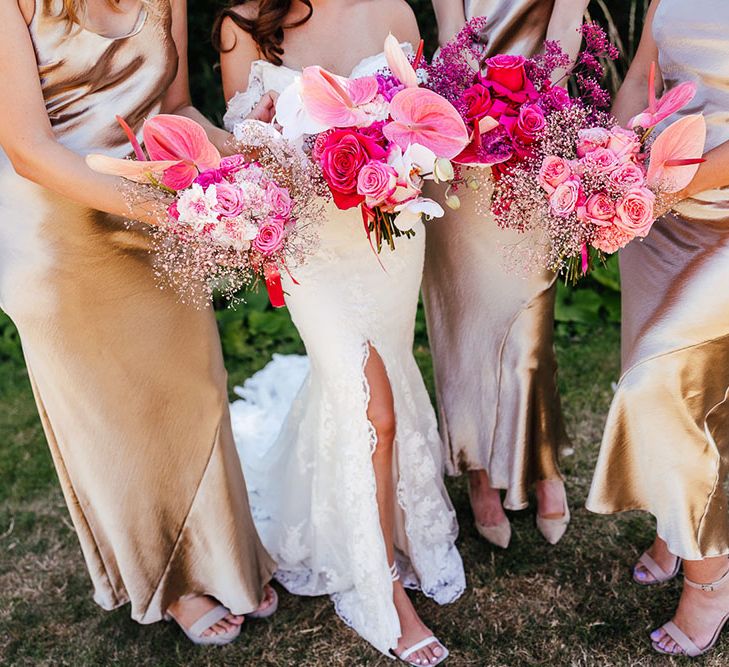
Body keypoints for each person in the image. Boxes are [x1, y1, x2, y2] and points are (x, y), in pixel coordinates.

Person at [0, 0, 279, 645]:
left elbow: (175, 109)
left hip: (157, 222)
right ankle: (172, 581)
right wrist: (171, 211)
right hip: (56, 235)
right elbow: (27, 149)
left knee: (196, 391)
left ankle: (227, 558)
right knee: (112, 416)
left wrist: (243, 164)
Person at [215, 0, 465, 663]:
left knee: (383, 384)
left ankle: (391, 522)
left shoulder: (393, 9)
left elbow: (427, 127)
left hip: (390, 234)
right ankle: (378, 582)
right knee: (368, 407)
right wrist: (268, 142)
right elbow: (243, 152)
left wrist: (400, 166)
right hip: (312, 249)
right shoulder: (243, 26)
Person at [587, 0, 729, 657]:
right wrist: (607, 165)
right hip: (660, 218)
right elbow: (641, 73)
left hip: (713, 212)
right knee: (686, 395)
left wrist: (665, 186)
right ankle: (676, 525)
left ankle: (711, 579)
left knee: (656, 385)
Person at [423, 0, 588, 549]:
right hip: (460, 147)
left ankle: (541, 464)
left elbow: (565, 28)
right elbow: (451, 33)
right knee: (464, 324)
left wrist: (531, 116)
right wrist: (475, 114)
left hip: (535, 139)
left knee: (528, 329)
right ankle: (475, 467)